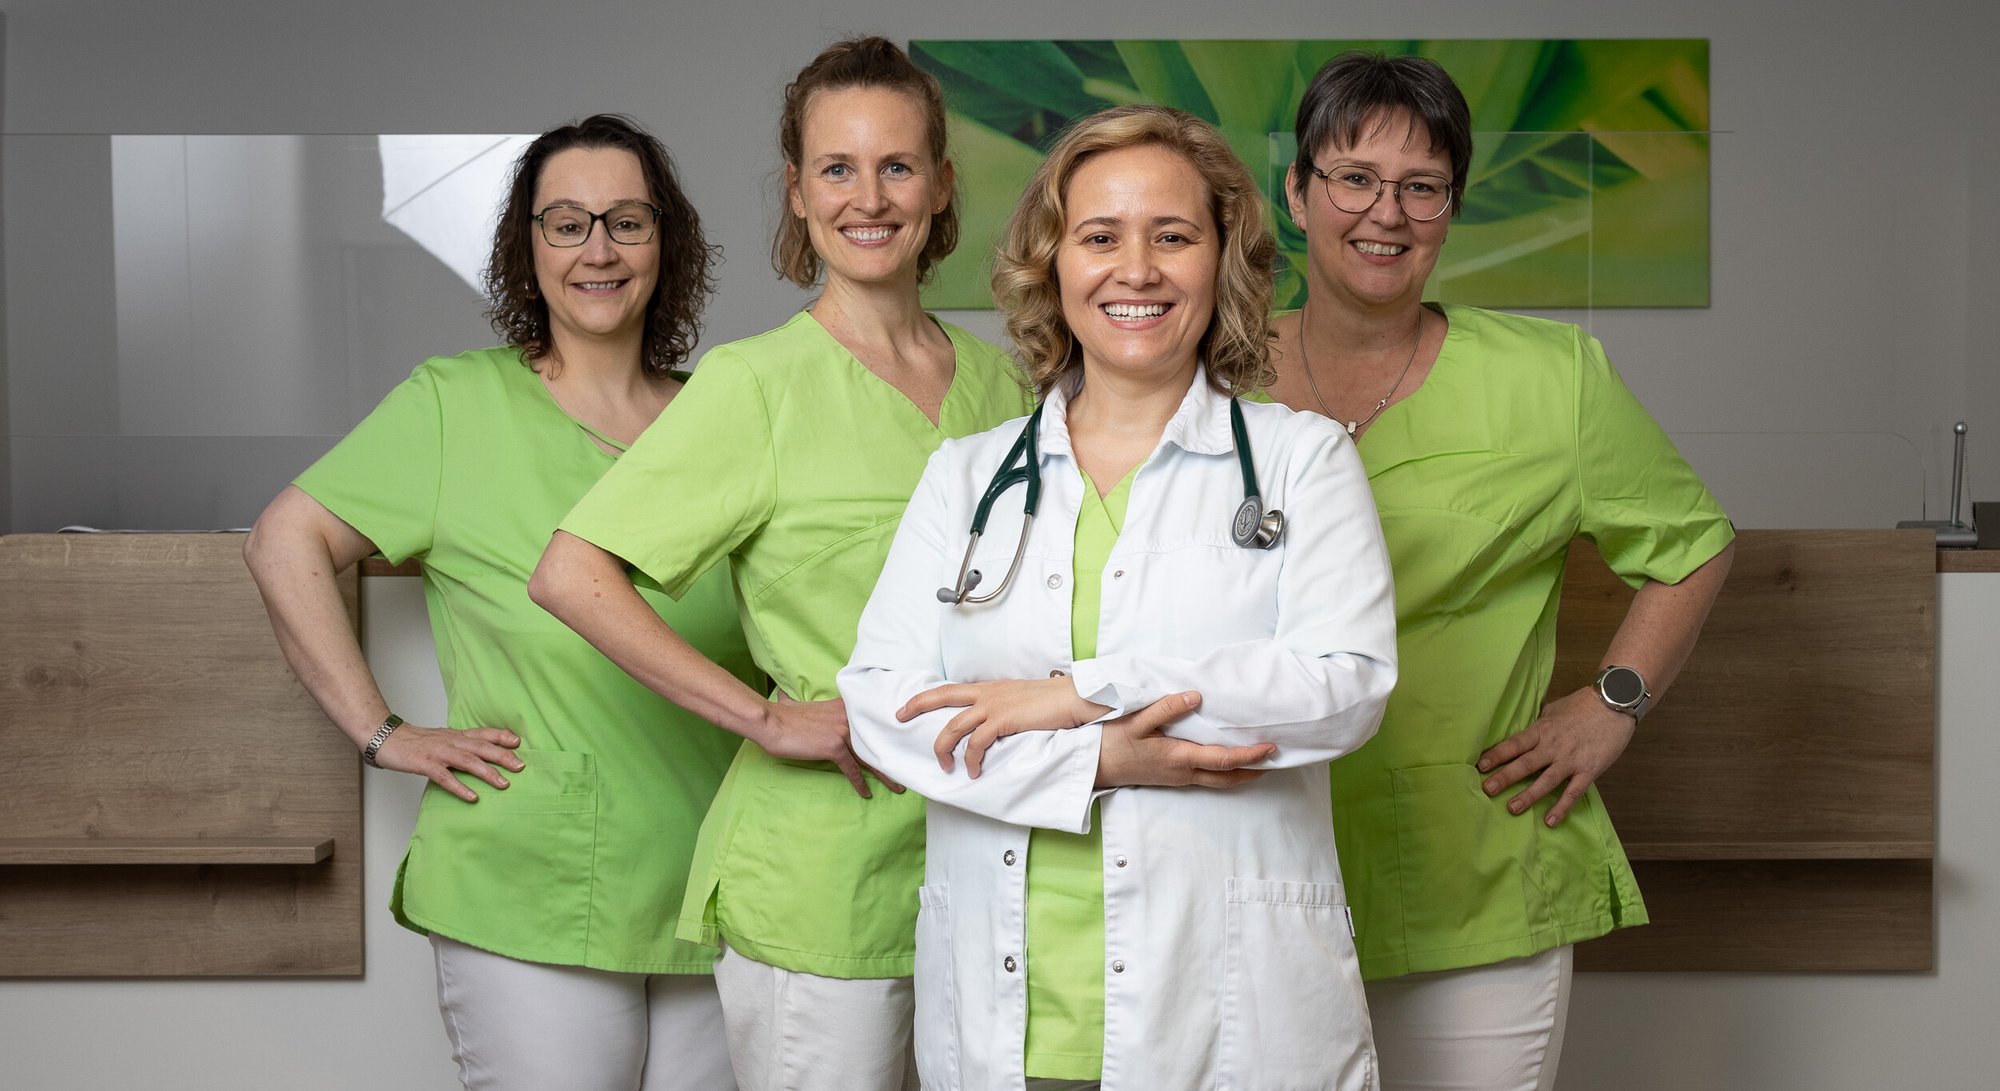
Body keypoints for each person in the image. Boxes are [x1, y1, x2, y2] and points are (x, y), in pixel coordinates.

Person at [839, 104, 1399, 1091]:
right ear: (1052, 264)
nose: (1135, 270)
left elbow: (1343, 686)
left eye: (1172, 236)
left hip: (1230, 1011)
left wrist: (1079, 692)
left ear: (1221, 261)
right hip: (1009, 1019)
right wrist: (1099, 756)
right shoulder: (966, 477)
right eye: (1099, 237)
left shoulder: (1300, 461)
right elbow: (886, 707)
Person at [528, 37, 1029, 1091]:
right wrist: (765, 717)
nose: (869, 198)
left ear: (942, 185)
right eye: (837, 168)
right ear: (797, 192)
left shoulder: (1008, 388)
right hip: (822, 872)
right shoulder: (753, 385)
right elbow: (572, 572)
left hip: (990, 860)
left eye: (897, 166)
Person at [242, 115, 753, 1090]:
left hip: (721, 878)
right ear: (528, 245)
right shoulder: (454, 406)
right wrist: (381, 732)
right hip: (530, 881)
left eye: (627, 220)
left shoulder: (728, 416)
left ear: (667, 242)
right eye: (566, 223)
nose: (598, 249)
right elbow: (284, 541)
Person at [1263, 52, 1738, 1091]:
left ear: (1451, 208)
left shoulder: (1550, 379)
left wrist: (1614, 702)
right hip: (1250, 870)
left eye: (1421, 186)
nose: (1385, 213)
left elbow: (1692, 543)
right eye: (1353, 177)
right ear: (1296, 193)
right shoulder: (1209, 374)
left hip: (1475, 873)